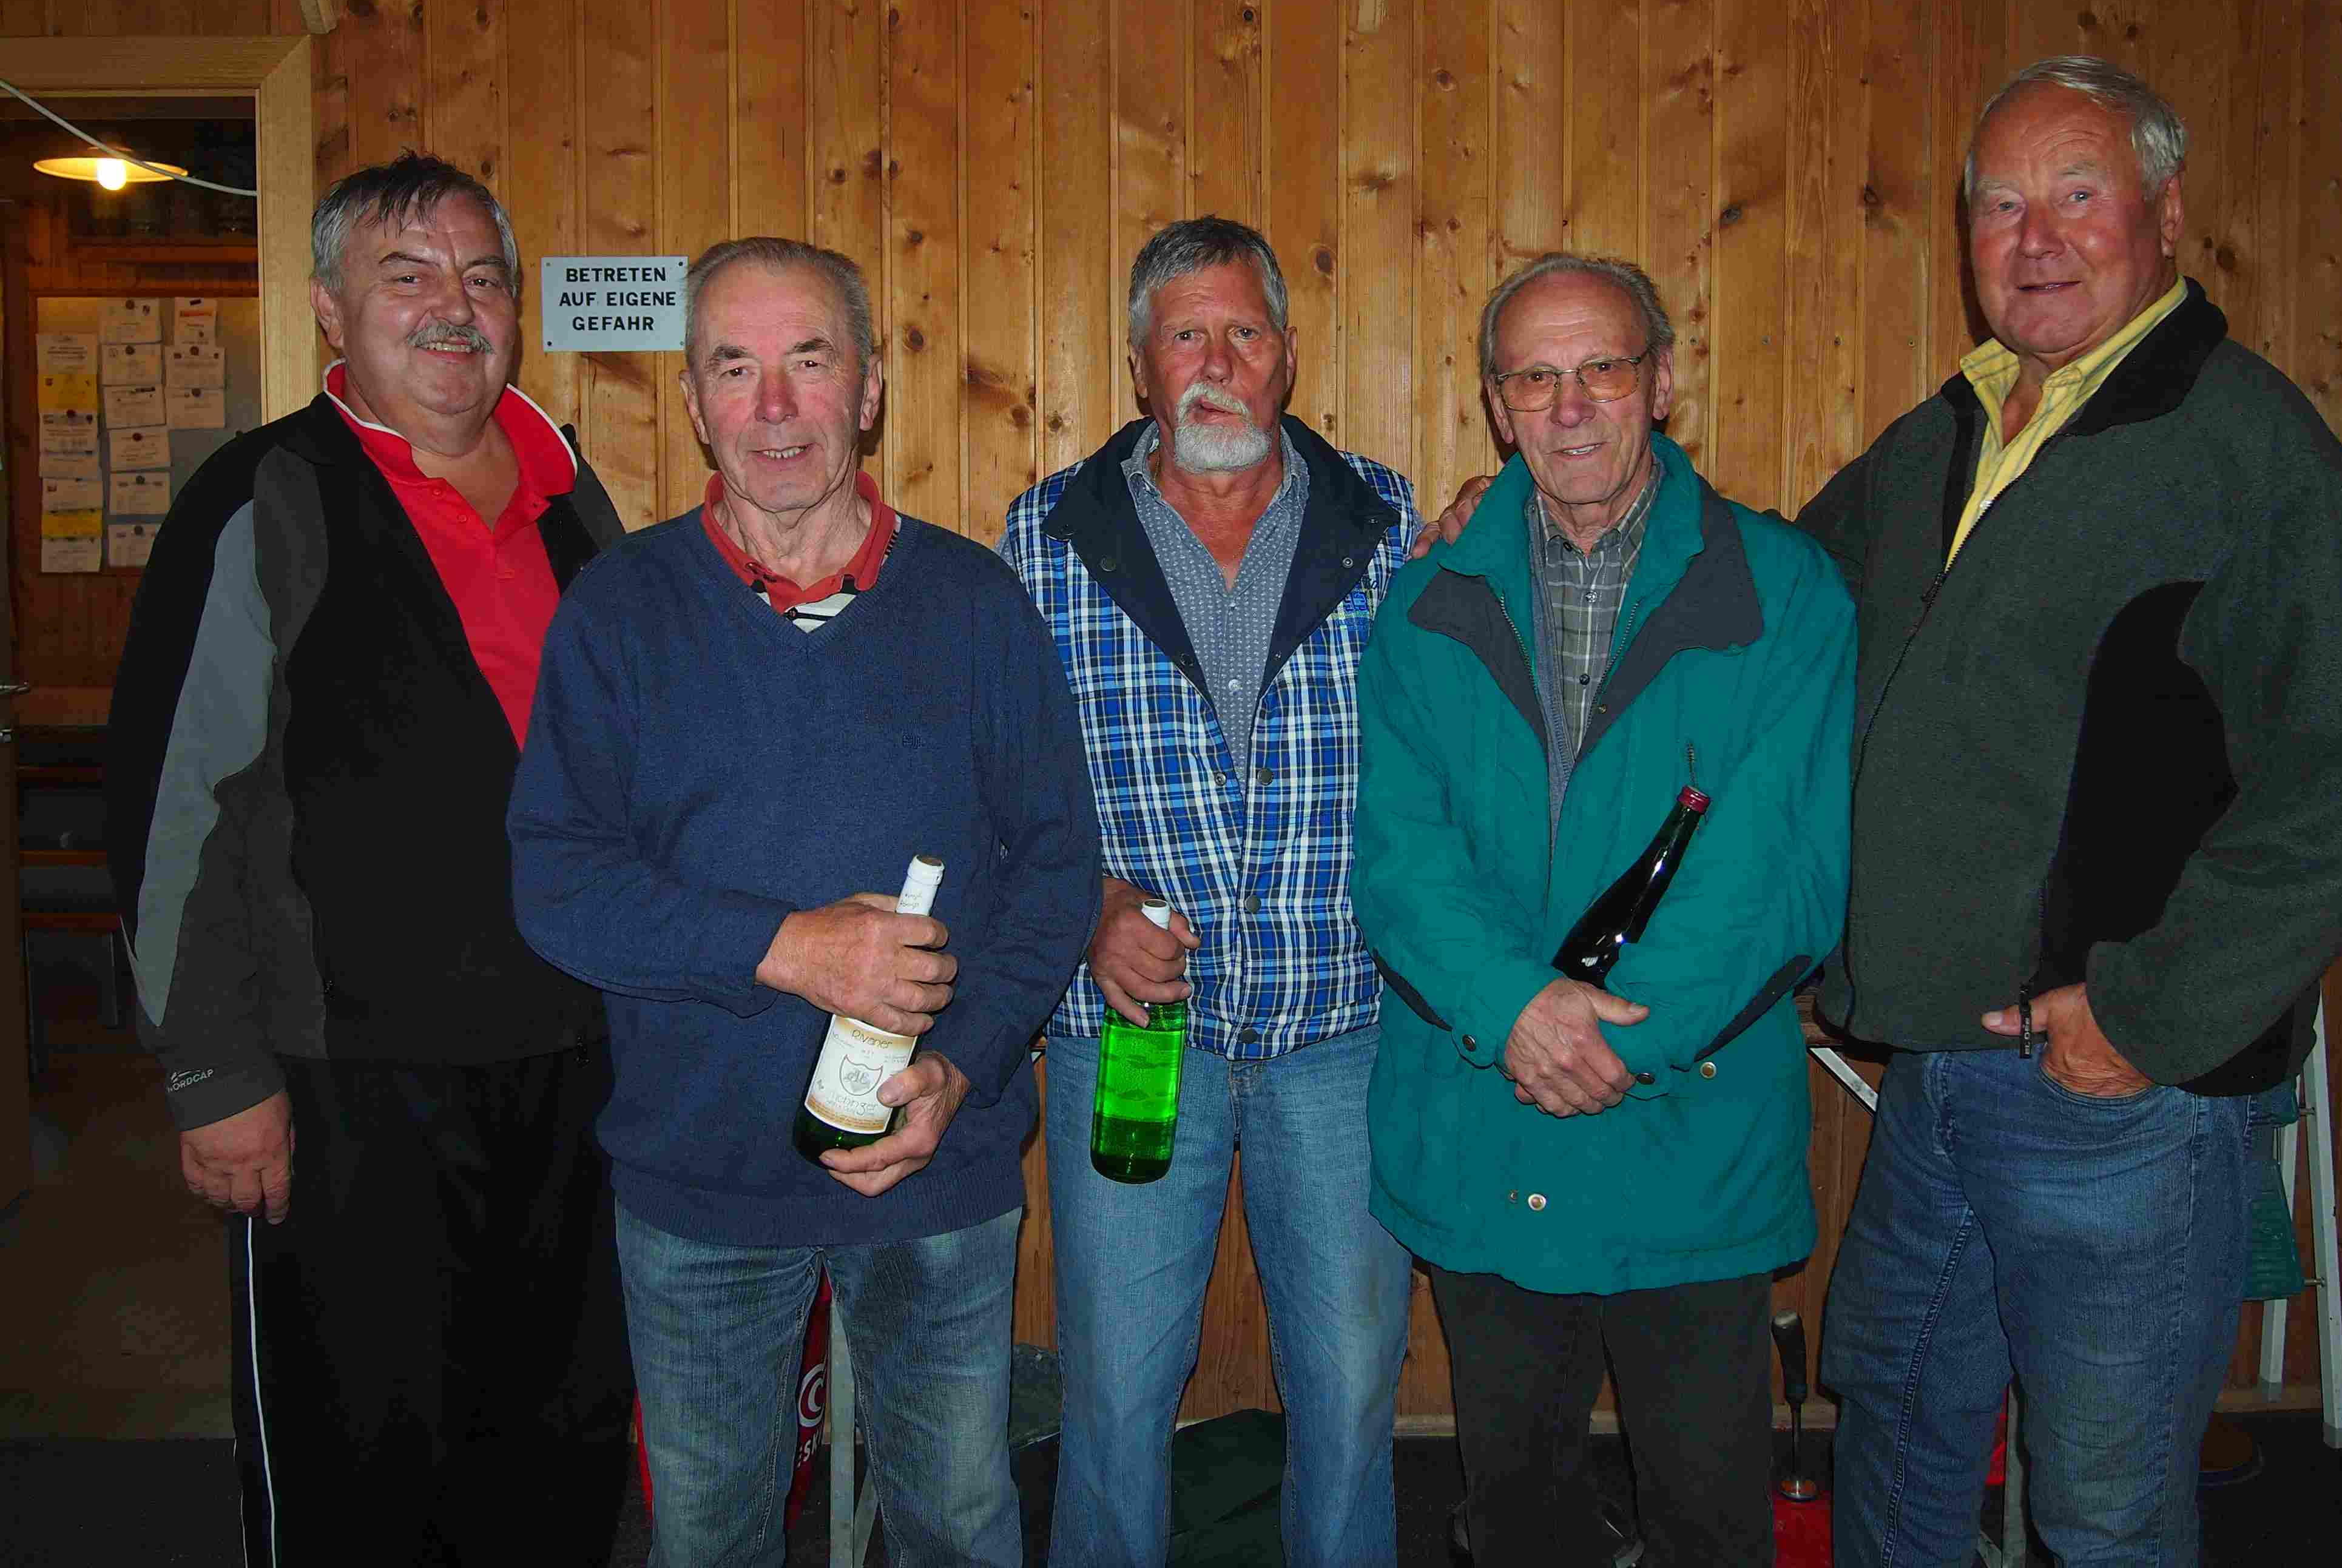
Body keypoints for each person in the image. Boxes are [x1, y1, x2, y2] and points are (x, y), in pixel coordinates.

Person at [1798, 56, 2342, 1566]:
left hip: (2115, 1091)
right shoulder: (1948, 431)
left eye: (2077, 195)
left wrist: (2145, 1011)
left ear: (2167, 213)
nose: (2035, 239)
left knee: (2104, 1509)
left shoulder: (2249, 451)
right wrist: (1572, 507)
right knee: (1895, 1430)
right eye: (2001, 204)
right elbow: (1777, 583)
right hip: (1941, 1067)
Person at [507, 237, 1101, 1568]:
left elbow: (1056, 868)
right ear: (692, 402)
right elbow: (556, 881)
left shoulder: (976, 605)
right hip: (700, 1184)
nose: (774, 407)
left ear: (870, 389)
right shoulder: (621, 610)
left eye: (809, 362)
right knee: (712, 1537)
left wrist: (963, 1064)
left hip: (935, 1169)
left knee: (957, 1523)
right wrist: (786, 949)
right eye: (735, 368)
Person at [106, 152, 633, 1566]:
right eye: (407, 276)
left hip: (573, 1066)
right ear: (331, 309)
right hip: (345, 1081)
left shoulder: (575, 499)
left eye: (481, 277)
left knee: (555, 1450)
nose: (453, 307)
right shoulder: (263, 495)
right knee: (363, 1468)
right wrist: (213, 1072)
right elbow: (175, 805)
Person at [1355, 252, 1856, 1566]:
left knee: (1708, 1515)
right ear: (1497, 407)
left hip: (1686, 1125)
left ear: (1664, 382)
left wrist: (1616, 1037)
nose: (1569, 405)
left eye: (1602, 368)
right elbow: (1399, 856)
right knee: (1519, 1514)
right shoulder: (1427, 597)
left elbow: (1781, 871)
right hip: (1489, 1114)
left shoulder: (1787, 590)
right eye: (1535, 377)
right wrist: (1515, 1009)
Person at [1001, 217, 1420, 1567]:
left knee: (1351, 1396)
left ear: (1289, 355)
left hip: (1345, 1030)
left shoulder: (1393, 526)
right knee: (1116, 1395)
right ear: (1140, 365)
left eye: (1245, 332)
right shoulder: (1046, 535)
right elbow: (997, 782)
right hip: (1133, 1036)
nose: (1218, 363)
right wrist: (1087, 907)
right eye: (1187, 334)